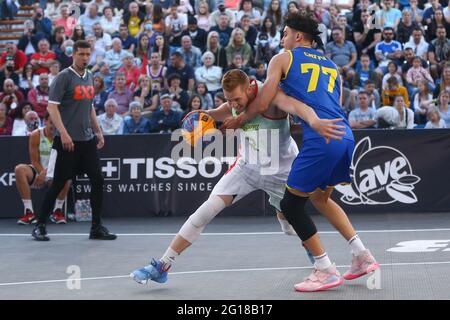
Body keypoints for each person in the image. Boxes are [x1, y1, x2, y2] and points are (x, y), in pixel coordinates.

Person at [130, 68, 345, 285]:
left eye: (236, 99)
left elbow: (298, 107)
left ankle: (310, 247)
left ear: (250, 88)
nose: (233, 105)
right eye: (229, 100)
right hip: (246, 170)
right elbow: (207, 116)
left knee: (289, 228)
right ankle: (163, 264)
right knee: (204, 212)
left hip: (282, 173)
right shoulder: (230, 107)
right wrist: (194, 122)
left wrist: (315, 122)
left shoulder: (271, 100)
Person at [222, 12, 379, 292]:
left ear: (297, 36)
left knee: (290, 205)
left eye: (284, 33)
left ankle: (324, 269)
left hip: (321, 138)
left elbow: (264, 100)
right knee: (321, 198)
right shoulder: (332, 66)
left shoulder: (283, 58)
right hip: (343, 134)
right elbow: (333, 100)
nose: (282, 39)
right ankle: (362, 255)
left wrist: (240, 119)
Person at [32, 40, 116, 241]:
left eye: (88, 54)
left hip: (87, 141)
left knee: (98, 179)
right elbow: (52, 108)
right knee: (59, 183)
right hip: (67, 141)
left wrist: (98, 131)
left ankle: (96, 227)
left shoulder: (89, 76)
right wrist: (64, 133)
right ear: (74, 54)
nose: (85, 58)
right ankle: (40, 224)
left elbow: (90, 107)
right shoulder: (63, 77)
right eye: (81, 54)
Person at [15, 113, 71, 225]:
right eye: (51, 123)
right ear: (45, 121)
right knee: (19, 169)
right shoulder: (36, 135)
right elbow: (34, 160)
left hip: (55, 172)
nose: (53, 126)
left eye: (56, 124)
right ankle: (29, 213)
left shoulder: (63, 136)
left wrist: (47, 173)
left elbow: (63, 161)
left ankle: (57, 211)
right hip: (38, 171)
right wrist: (42, 172)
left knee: (67, 175)